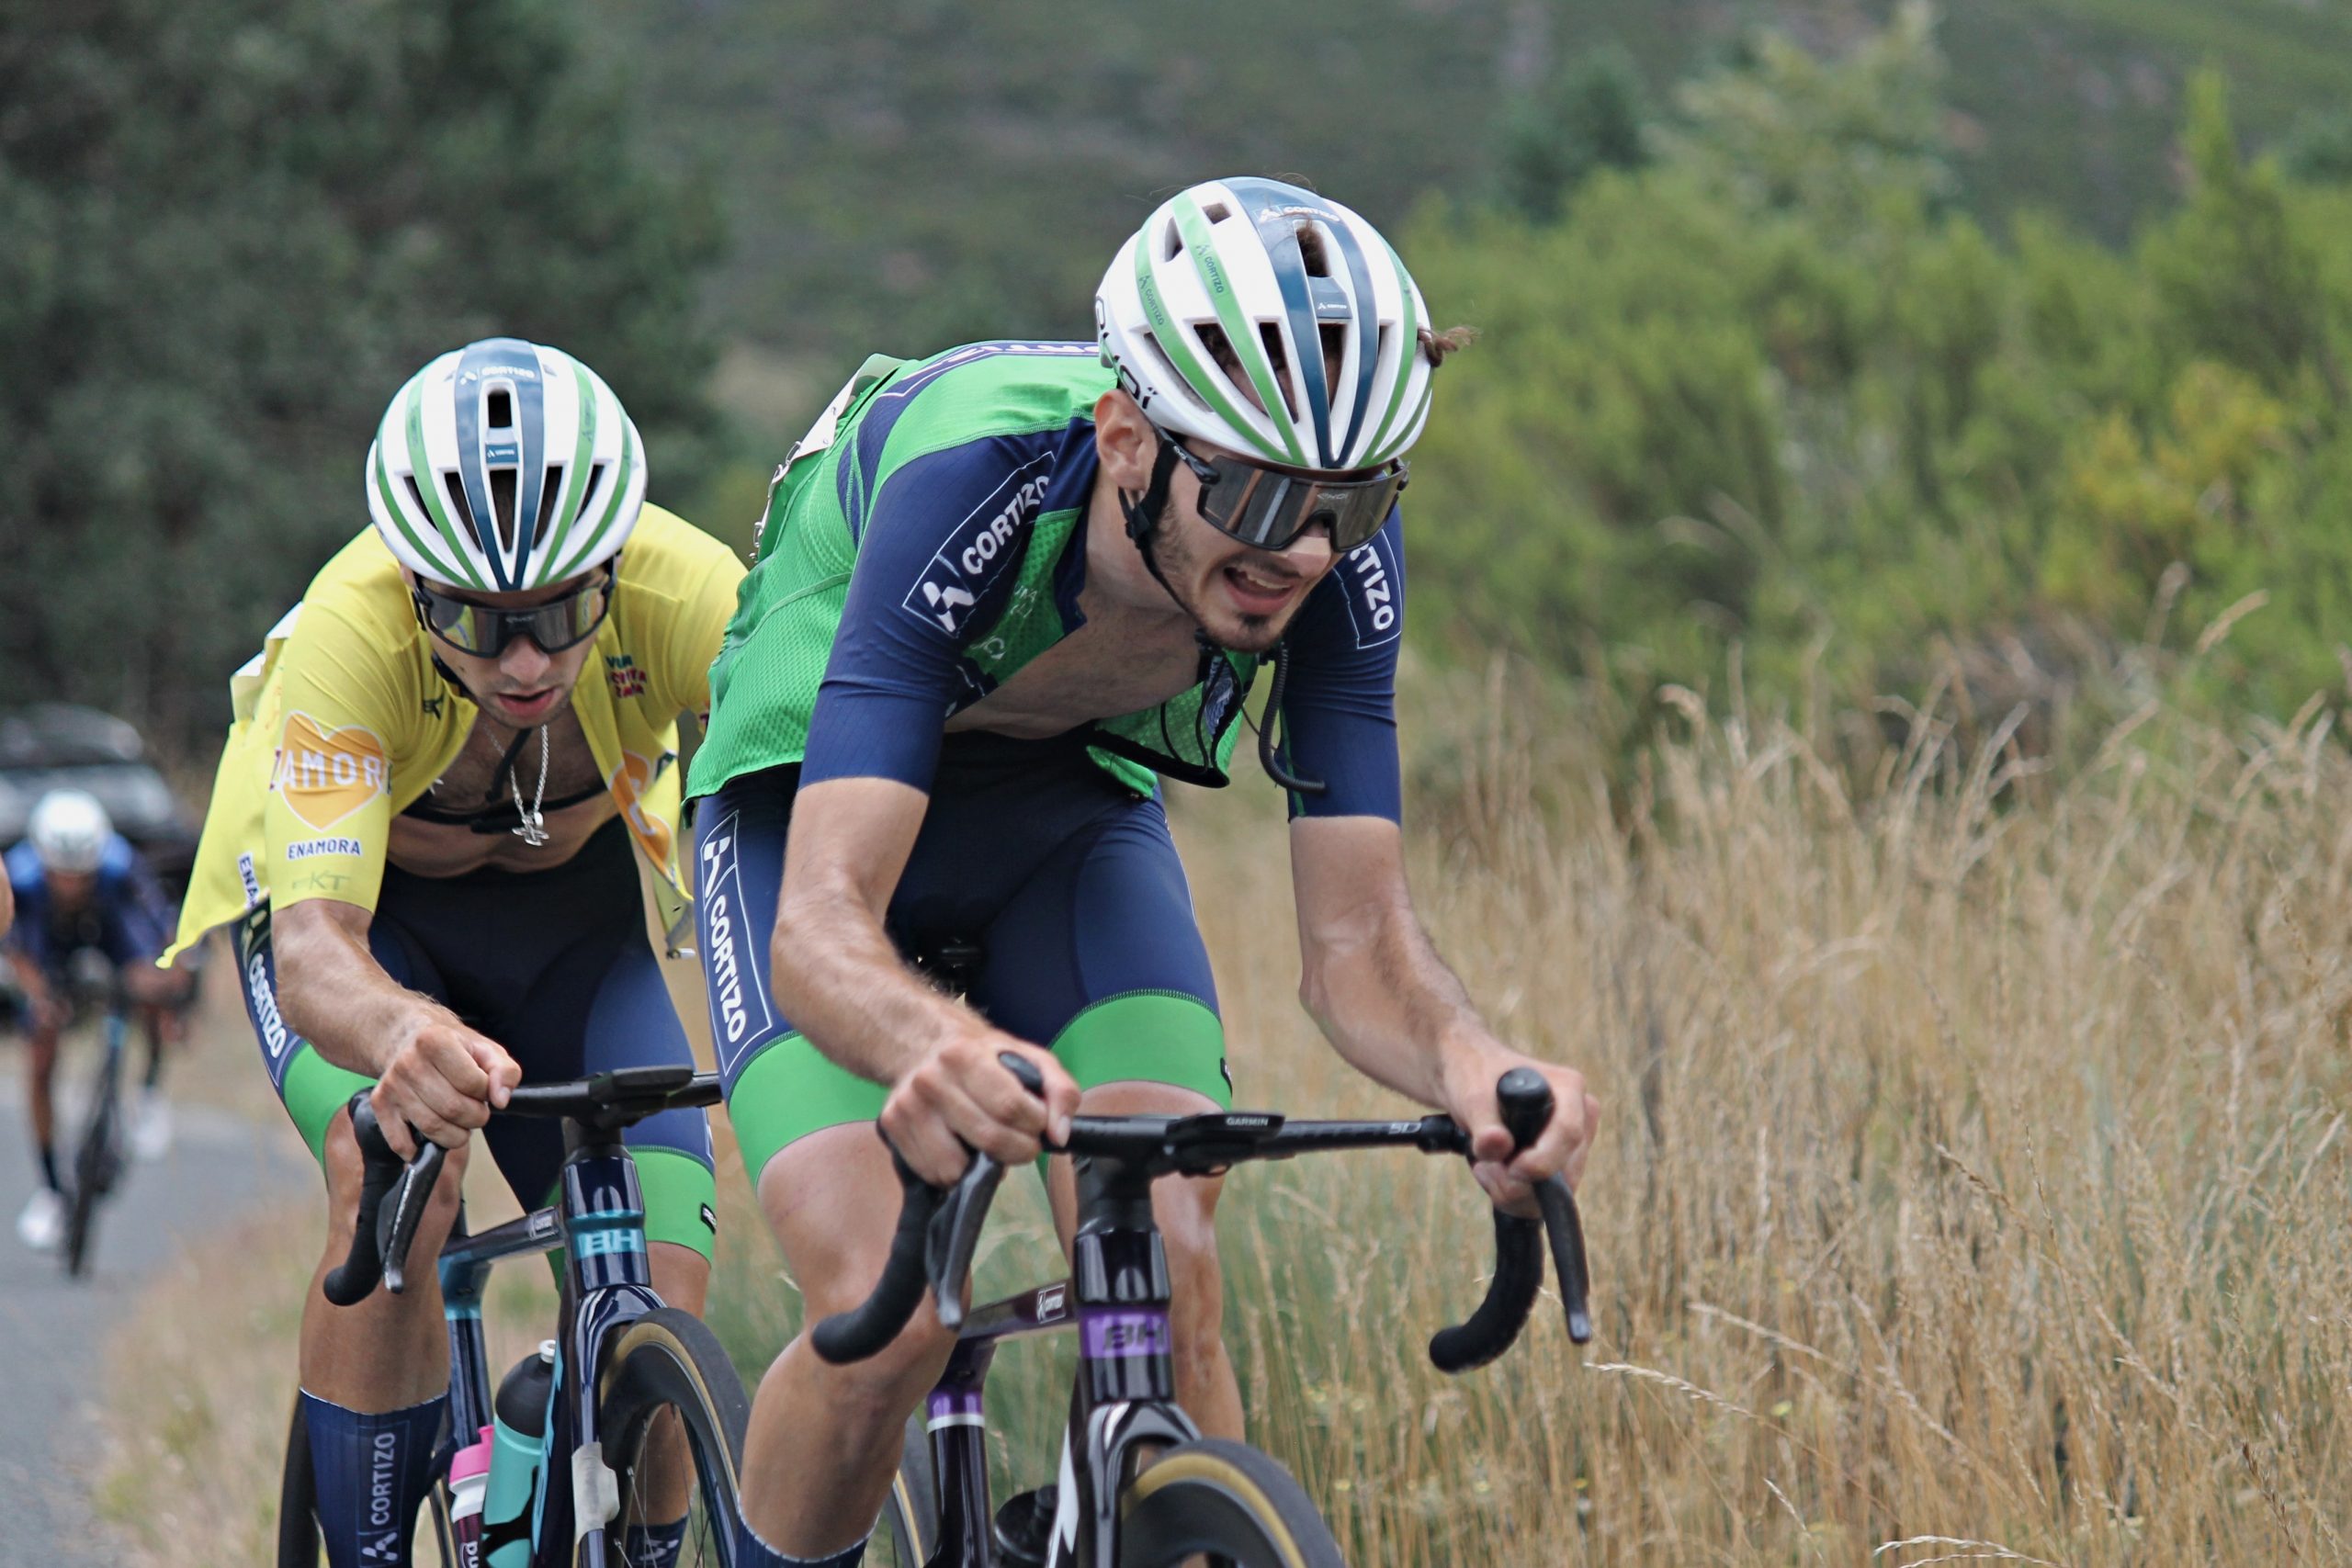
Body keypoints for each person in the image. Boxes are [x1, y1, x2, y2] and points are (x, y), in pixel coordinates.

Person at [686, 175, 1601, 1567]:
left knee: (1168, 1259)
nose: (1298, 544)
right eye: (1251, 488)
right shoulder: (971, 484)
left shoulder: (1335, 559)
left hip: (1063, 813)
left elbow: (1355, 940)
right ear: (1128, 439)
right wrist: (935, 1040)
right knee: (891, 1300)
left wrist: (1472, 1065)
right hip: (803, 811)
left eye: (1347, 499)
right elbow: (819, 928)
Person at [164, 337, 743, 1568]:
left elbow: (824, 775)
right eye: (480, 623)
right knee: (393, 1189)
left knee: (668, 1277)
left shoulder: (689, 586)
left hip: (573, 932)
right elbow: (319, 950)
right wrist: (403, 1033)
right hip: (373, 931)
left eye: (560, 615)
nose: (524, 661)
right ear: (418, 589)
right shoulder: (348, 629)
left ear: (614, 565)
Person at [4, 788, 181, 1247]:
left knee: (149, 988)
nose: (71, 885)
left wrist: (165, 976)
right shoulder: (20, 878)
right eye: (60, 875)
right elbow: (16, 950)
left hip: (111, 929)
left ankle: (148, 1092)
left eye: (80, 875)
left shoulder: (120, 869)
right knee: (40, 1051)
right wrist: (40, 997)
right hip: (47, 943)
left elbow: (161, 932)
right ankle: (51, 1189)